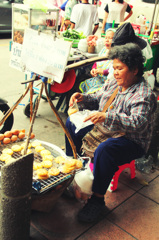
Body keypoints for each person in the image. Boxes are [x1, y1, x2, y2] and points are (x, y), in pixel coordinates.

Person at [65, 43, 157, 222]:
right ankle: (73, 173)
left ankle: (97, 201)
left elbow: (137, 123)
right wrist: (84, 98)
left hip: (132, 139)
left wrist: (107, 116)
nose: (114, 72)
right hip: (108, 126)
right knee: (72, 123)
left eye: (120, 68)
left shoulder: (144, 95)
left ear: (135, 70)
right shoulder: (114, 81)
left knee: (105, 150)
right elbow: (100, 97)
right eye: (114, 68)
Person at [79, 28, 116, 94]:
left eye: (110, 38)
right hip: (98, 79)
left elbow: (114, 69)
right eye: (106, 38)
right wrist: (93, 70)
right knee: (82, 85)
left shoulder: (116, 53)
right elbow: (96, 63)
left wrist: (103, 71)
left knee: (91, 93)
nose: (107, 40)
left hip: (107, 82)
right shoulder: (103, 50)